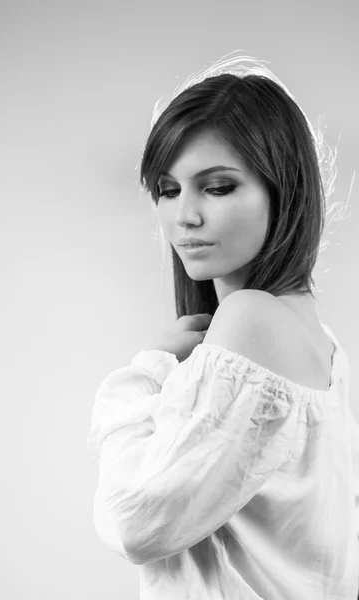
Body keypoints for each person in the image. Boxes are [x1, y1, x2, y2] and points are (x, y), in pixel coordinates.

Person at [87, 54, 359, 599]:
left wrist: (147, 373)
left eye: (217, 187)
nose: (184, 216)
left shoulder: (251, 319)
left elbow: (133, 521)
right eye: (168, 190)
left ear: (284, 192)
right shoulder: (324, 346)